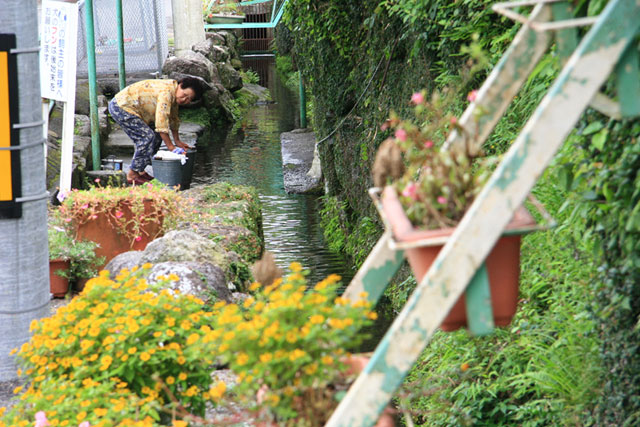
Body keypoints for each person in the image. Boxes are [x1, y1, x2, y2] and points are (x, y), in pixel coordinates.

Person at [108, 76, 204, 185]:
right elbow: (161, 122)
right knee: (147, 138)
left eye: (189, 99)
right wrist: (171, 147)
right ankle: (132, 174)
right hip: (121, 107)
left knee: (156, 136)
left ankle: (141, 169)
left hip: (134, 109)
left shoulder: (173, 92)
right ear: (180, 85)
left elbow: (173, 119)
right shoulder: (167, 92)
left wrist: (177, 141)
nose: (184, 100)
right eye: (185, 95)